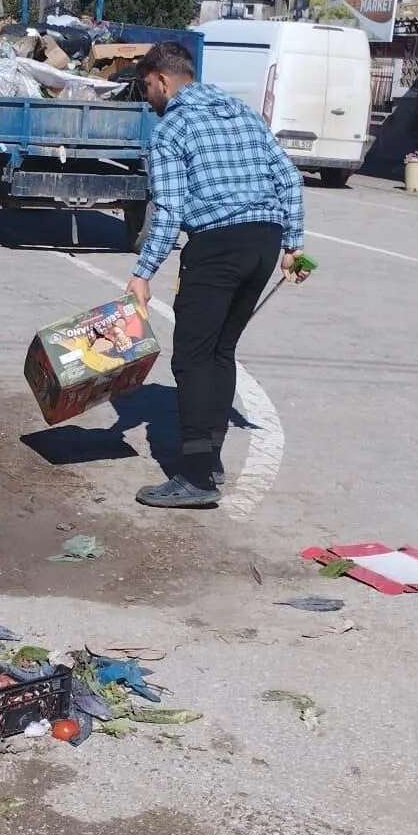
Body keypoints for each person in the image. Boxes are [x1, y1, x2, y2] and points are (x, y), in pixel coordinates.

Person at [125, 40, 308, 510]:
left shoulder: (171, 130)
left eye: (147, 88)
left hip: (217, 246)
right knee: (221, 350)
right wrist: (293, 244)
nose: (148, 98)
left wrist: (142, 273)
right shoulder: (242, 112)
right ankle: (210, 459)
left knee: (191, 356)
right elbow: (288, 177)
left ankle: (194, 477)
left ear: (163, 80)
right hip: (263, 245)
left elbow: (168, 210)